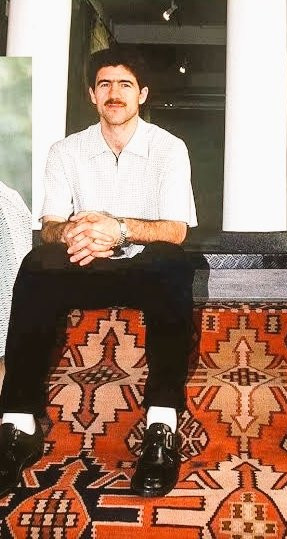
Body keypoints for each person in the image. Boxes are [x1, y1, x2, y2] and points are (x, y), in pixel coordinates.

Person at [0, 46, 197, 498]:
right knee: (36, 264)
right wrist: (77, 231)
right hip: (85, 259)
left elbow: (176, 229)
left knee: (173, 263)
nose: (114, 93)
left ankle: (162, 424)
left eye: (125, 84)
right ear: (92, 94)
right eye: (105, 84)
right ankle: (18, 425)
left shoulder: (169, 148)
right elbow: (49, 227)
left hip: (143, 265)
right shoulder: (65, 150)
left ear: (142, 94)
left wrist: (118, 229)